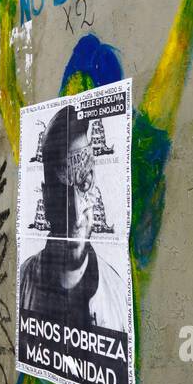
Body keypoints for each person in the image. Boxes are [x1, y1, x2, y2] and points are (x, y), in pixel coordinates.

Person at [19, 105, 125, 332]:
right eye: (62, 192)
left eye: (84, 184)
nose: (77, 215)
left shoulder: (118, 295)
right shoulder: (23, 282)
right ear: (46, 197)